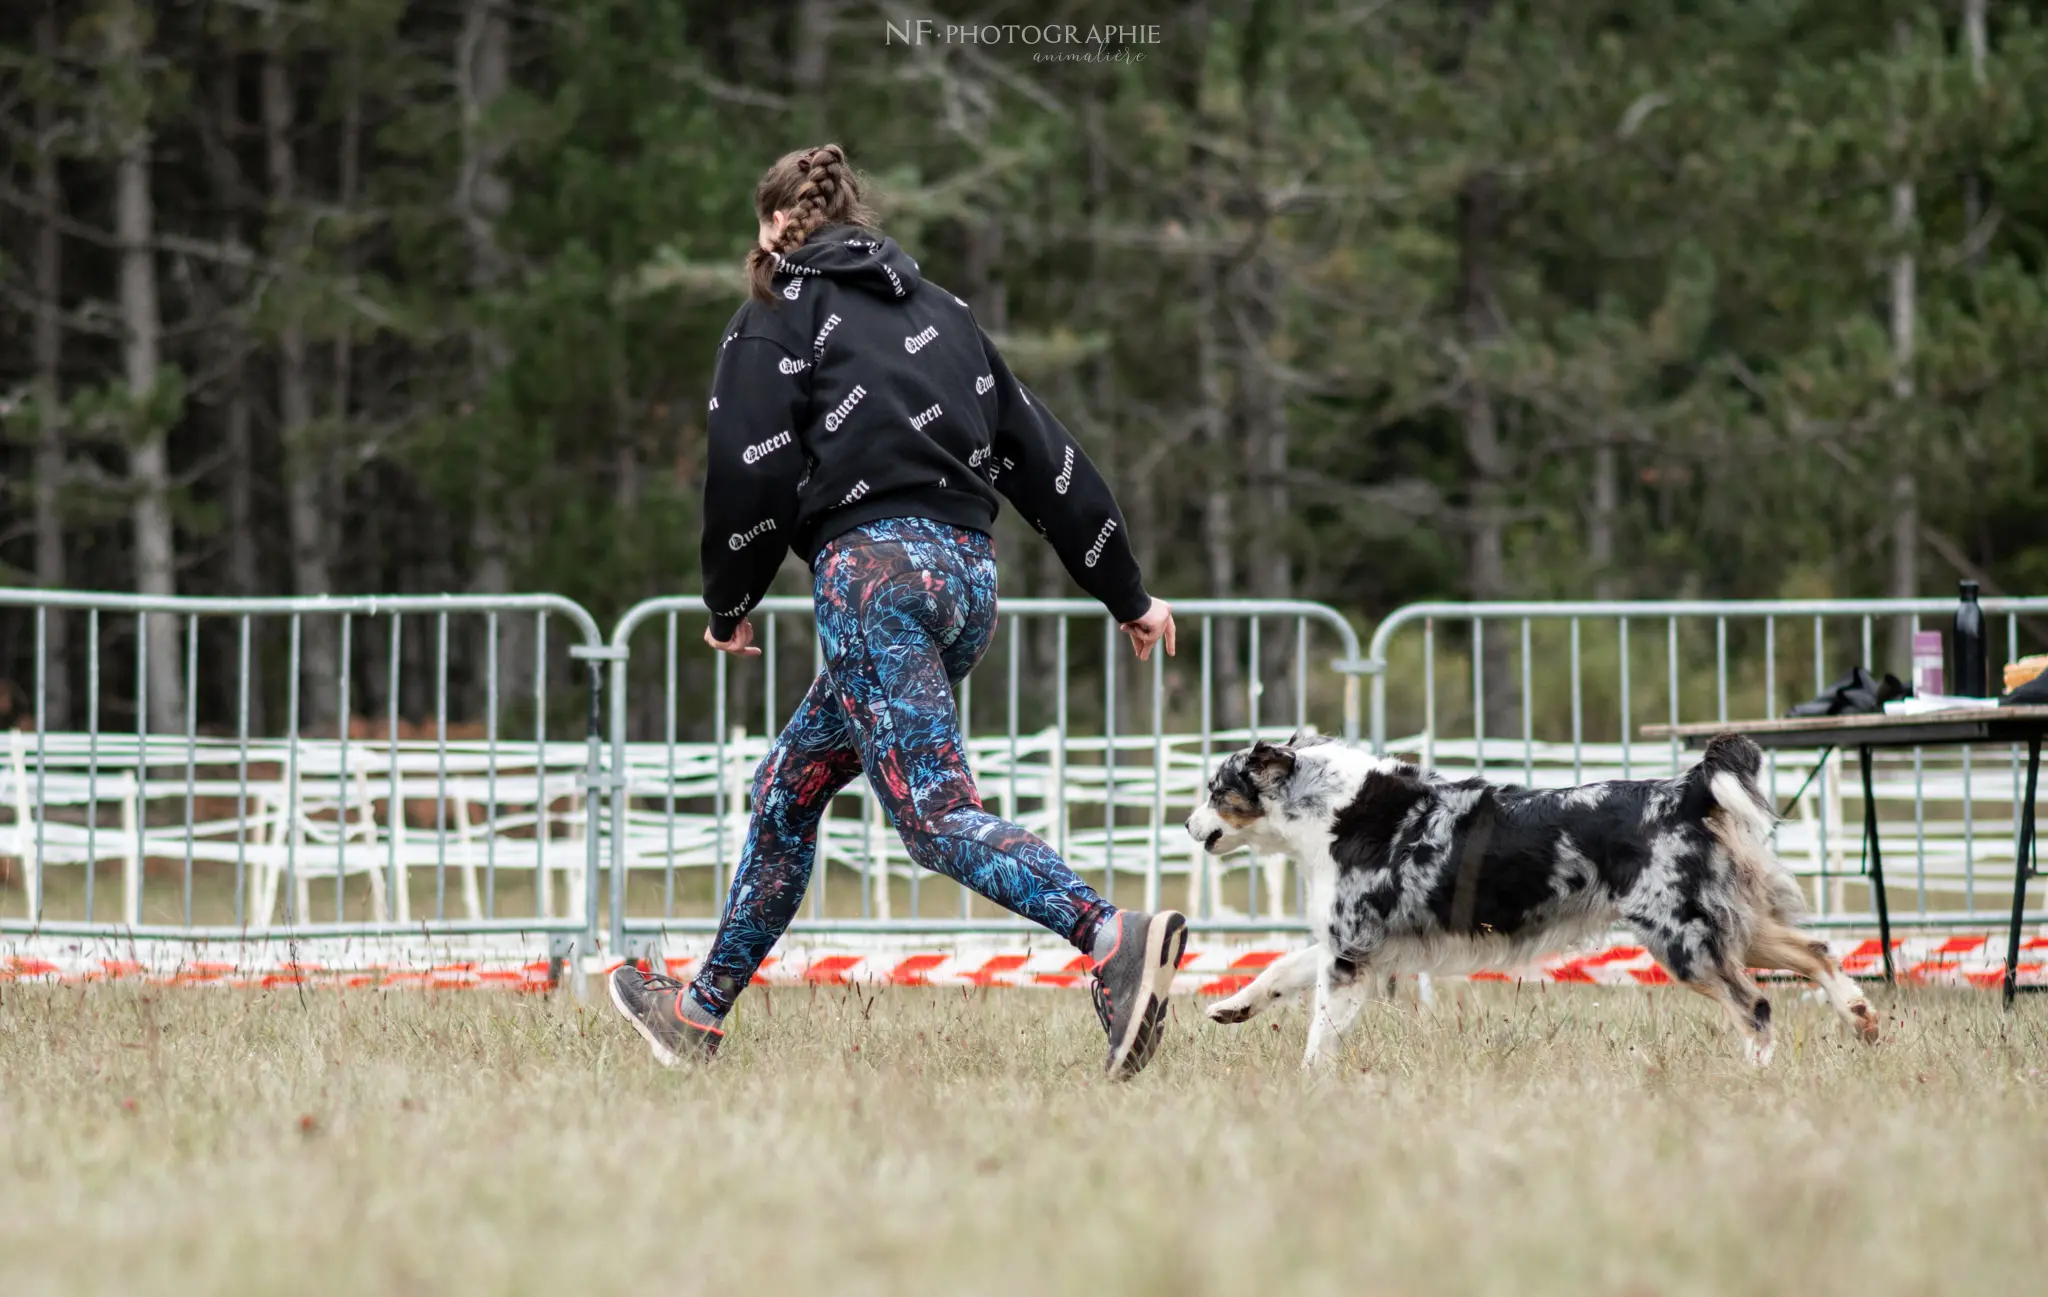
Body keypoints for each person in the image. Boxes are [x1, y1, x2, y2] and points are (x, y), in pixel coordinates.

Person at [606, 143, 1187, 1080]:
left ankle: (1111, 936)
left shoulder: (774, 314)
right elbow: (1044, 454)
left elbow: (749, 469)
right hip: (964, 580)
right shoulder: (941, 314)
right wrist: (1127, 590)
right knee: (787, 789)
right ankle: (699, 1009)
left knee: (932, 816)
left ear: (770, 228)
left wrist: (730, 599)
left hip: (872, 584)